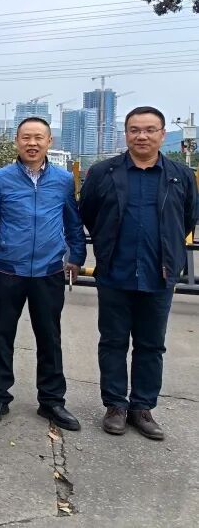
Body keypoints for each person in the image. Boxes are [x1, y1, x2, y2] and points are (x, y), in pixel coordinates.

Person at [79, 106, 199, 441]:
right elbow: (88, 212)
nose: (141, 136)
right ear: (126, 134)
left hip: (159, 274)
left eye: (149, 130)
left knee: (151, 344)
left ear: (162, 134)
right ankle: (115, 405)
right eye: (134, 130)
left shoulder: (180, 175)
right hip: (114, 272)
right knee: (113, 341)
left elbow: (188, 217)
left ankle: (142, 407)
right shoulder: (104, 172)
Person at [0, 117, 86, 430]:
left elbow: (73, 222)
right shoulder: (0, 180)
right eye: (26, 137)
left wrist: (76, 256)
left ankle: (52, 401)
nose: (32, 143)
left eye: (39, 137)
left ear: (49, 142)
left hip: (49, 271)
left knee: (50, 337)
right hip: (8, 269)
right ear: (17, 141)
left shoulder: (63, 180)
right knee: (2, 335)